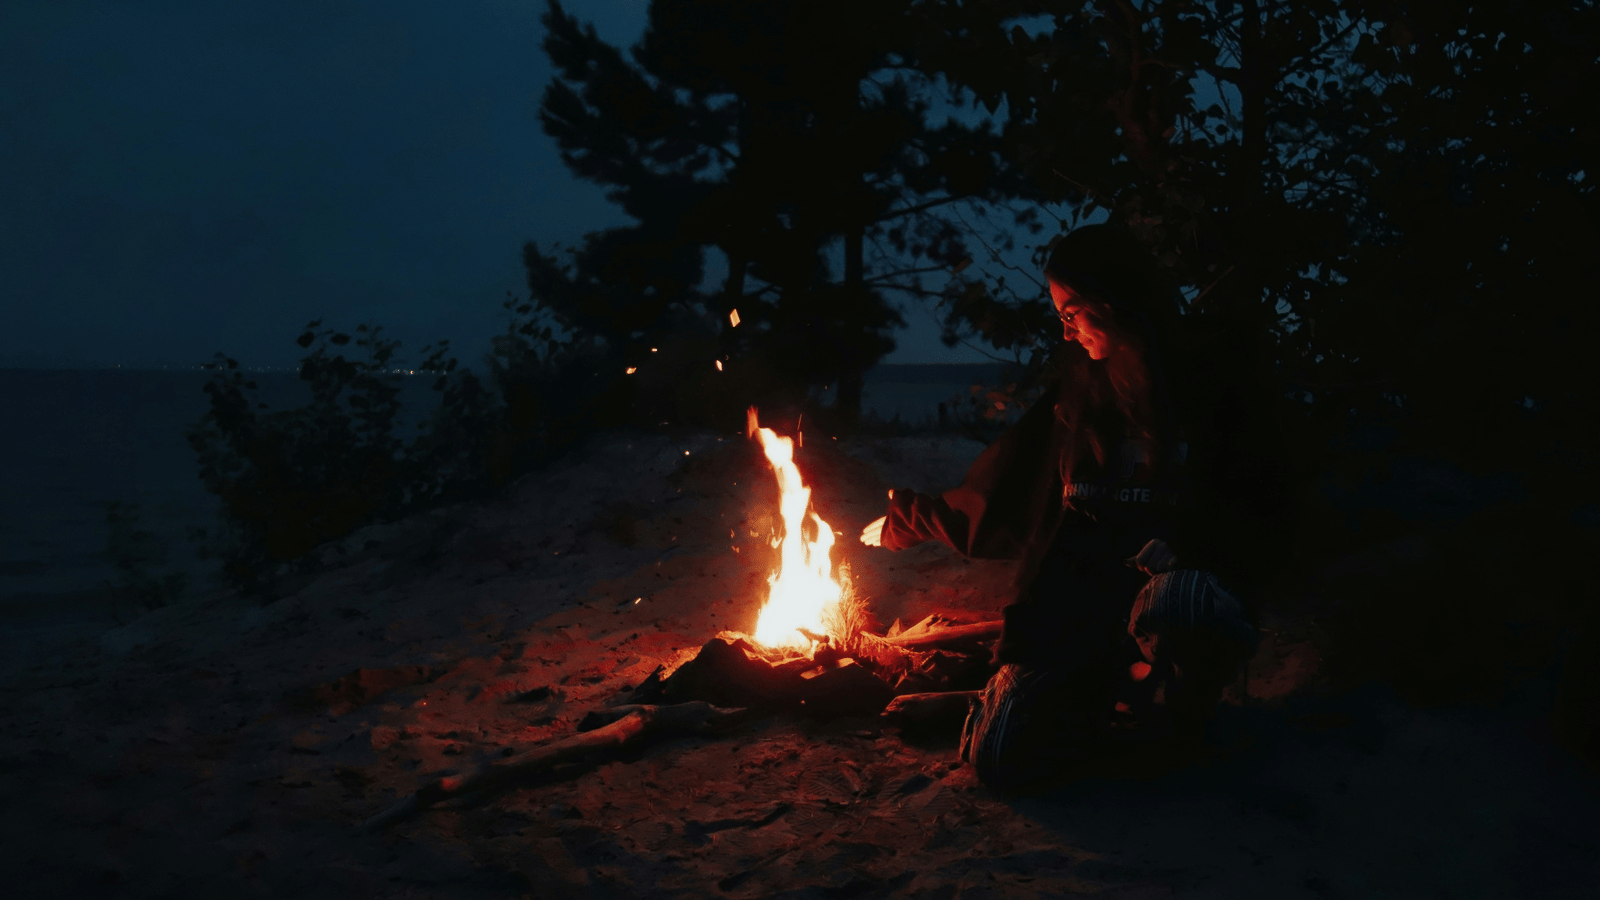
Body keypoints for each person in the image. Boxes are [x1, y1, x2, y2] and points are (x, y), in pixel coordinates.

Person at [859, 225, 1260, 792]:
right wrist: (911, 519)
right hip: (1084, 619)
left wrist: (1195, 547)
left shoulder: (1211, 384)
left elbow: (1262, 498)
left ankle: (1174, 704)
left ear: (1112, 302)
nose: (1066, 331)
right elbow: (1009, 497)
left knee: (1179, 598)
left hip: (1177, 604)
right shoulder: (1080, 396)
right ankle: (1098, 708)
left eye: (1072, 313)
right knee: (1001, 756)